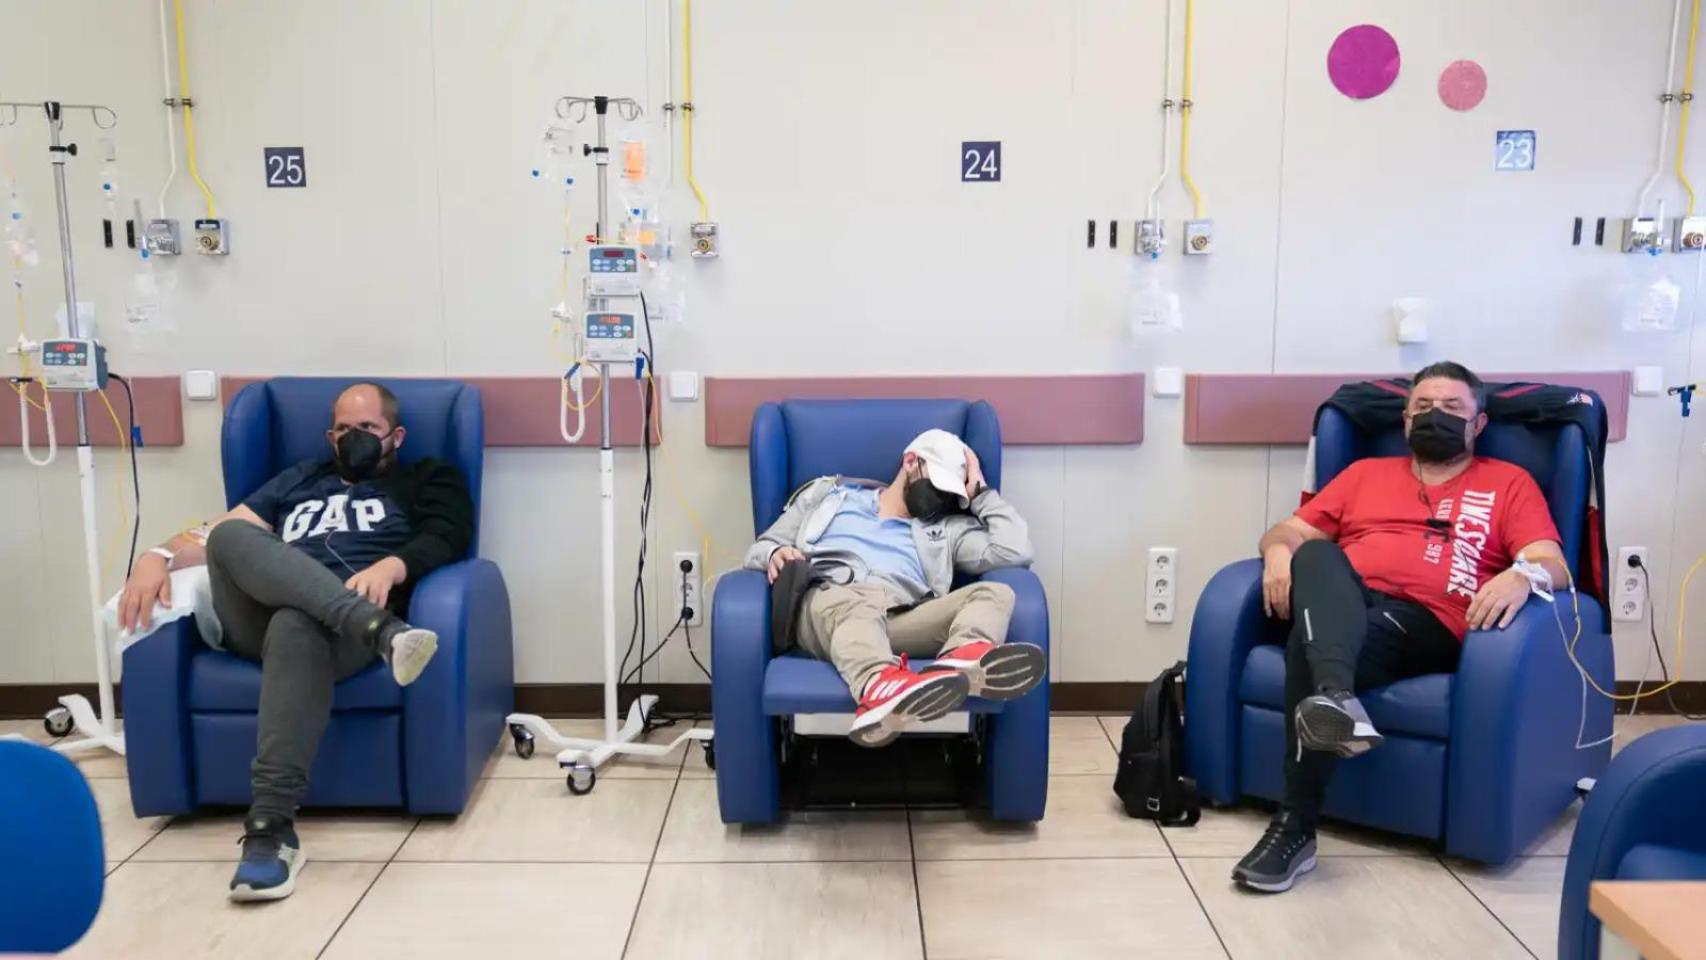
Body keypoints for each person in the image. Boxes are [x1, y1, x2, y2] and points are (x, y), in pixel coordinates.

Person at [116, 383, 474, 903]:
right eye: (345, 430)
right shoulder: (301, 479)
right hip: (271, 622)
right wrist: (155, 556)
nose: (356, 439)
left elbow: (447, 535)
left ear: (395, 435)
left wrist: (390, 567)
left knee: (295, 623)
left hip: (328, 631)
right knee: (230, 538)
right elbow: (222, 532)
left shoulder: (425, 478)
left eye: (368, 429)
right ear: (330, 437)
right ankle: (381, 633)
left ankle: (270, 831)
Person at [1232, 362, 1569, 893]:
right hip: (1344, 605)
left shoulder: (1508, 483)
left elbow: (1553, 562)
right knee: (1316, 556)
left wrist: (1521, 578)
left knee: (1309, 643)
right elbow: (1291, 531)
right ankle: (1334, 698)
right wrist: (1276, 555)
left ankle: (1294, 828)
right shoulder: (1364, 473)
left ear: (1479, 424)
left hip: (1426, 620)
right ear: (1406, 420)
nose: (1436, 416)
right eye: (1424, 408)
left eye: (1453, 409)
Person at [744, 429, 1044, 748]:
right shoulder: (830, 496)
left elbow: (1015, 550)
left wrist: (982, 495)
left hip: (897, 616)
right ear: (910, 461)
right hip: (826, 602)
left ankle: (961, 659)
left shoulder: (944, 531)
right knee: (852, 605)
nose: (940, 498)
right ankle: (880, 687)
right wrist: (776, 554)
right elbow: (760, 548)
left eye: (949, 494)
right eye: (938, 485)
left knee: (996, 594)